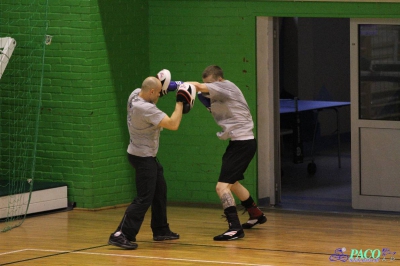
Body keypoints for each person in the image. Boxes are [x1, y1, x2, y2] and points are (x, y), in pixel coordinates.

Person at [108, 73, 192, 250]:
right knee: (143, 198)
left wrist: (169, 85)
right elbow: (173, 124)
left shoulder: (135, 94)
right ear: (152, 91)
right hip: (143, 157)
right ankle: (121, 234)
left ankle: (161, 230)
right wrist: (180, 101)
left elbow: (154, 89)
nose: (160, 96)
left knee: (159, 190)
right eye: (159, 93)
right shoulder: (146, 109)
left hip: (142, 154)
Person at [189, 65, 267, 241]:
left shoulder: (227, 87)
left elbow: (197, 87)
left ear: (219, 80)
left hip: (243, 143)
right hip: (237, 144)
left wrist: (172, 85)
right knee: (233, 183)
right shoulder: (213, 98)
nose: (208, 87)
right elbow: (202, 92)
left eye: (210, 84)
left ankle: (235, 228)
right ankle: (256, 215)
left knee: (221, 187)